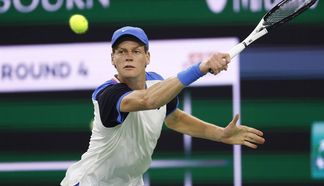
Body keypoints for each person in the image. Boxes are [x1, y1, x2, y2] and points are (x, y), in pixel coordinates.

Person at [61, 26, 265, 186]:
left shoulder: (157, 83)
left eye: (136, 51)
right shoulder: (107, 94)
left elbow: (174, 118)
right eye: (121, 51)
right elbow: (148, 101)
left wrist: (220, 134)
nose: (128, 56)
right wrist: (201, 68)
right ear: (113, 59)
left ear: (147, 57)